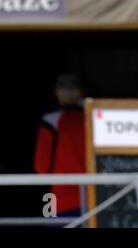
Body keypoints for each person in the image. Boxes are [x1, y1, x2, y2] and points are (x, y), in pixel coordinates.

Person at [34, 73, 86, 218]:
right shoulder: (95, 119)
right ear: (82, 93)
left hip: (62, 198)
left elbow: (41, 166)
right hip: (97, 198)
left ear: (57, 94)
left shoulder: (50, 121)